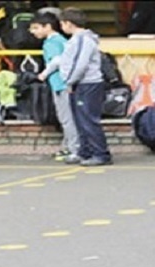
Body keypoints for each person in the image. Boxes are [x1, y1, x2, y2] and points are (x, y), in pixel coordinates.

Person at [38, 8, 111, 167]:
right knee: (80, 120)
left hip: (86, 84)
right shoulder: (76, 40)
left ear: (68, 23)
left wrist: (69, 81)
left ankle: (100, 153)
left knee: (88, 120)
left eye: (62, 24)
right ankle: (85, 151)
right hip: (81, 84)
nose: (61, 27)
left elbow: (79, 64)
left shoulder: (82, 40)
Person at [28, 13, 79, 162]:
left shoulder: (51, 43)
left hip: (60, 83)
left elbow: (56, 60)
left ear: (47, 27)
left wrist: (43, 74)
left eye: (36, 28)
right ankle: (68, 146)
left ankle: (74, 149)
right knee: (69, 118)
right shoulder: (62, 40)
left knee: (66, 119)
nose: (33, 32)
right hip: (66, 83)